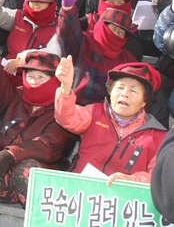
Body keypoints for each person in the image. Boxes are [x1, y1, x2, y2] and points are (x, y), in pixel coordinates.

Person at [0, 18, 77, 227]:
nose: (34, 81)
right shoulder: (16, 96)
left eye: (41, 77)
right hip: (7, 180)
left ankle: (42, 222)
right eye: (30, 75)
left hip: (43, 180)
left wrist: (11, 153)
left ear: (55, 79)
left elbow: (51, 146)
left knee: (27, 169)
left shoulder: (64, 106)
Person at [55, 56, 167, 184]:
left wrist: (133, 180)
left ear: (144, 102)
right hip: (79, 190)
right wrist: (65, 87)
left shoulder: (158, 136)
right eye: (119, 88)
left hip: (121, 199)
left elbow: (158, 176)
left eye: (133, 90)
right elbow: (66, 117)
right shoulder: (95, 113)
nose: (124, 94)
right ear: (110, 92)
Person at [57, 0, 137, 105]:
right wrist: (68, 8)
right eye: (112, 27)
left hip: (110, 114)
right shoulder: (84, 43)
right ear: (101, 26)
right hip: (77, 107)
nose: (116, 33)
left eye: (121, 32)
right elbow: (68, 32)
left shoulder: (128, 60)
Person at [0, 0, 59, 75]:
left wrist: (20, 61)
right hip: (8, 71)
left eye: (42, 1)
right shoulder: (18, 15)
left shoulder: (58, 26)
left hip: (37, 77)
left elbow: (52, 53)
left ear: (51, 3)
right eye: (32, 1)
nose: (36, 4)